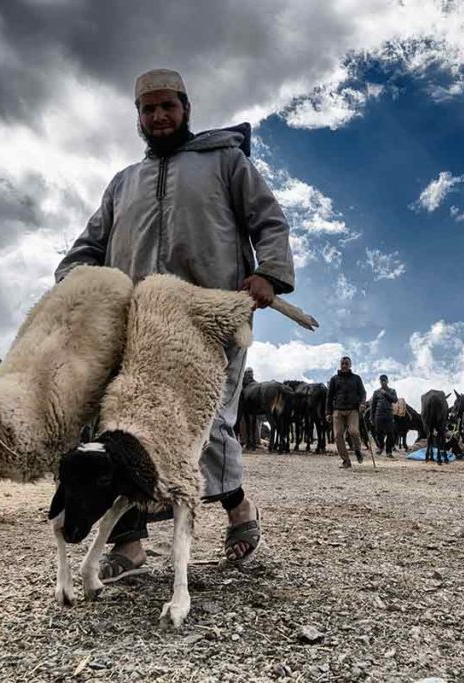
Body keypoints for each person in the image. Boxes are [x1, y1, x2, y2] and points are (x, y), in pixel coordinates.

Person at [54, 68, 294, 578]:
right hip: (136, 324)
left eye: (169, 106)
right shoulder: (123, 183)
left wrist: (267, 272)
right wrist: (78, 285)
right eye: (149, 109)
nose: (159, 116)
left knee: (207, 422)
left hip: (208, 315)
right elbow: (85, 250)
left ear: (186, 109)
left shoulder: (226, 162)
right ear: (138, 118)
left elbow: (268, 220)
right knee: (117, 427)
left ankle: (239, 511)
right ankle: (132, 545)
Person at [327, 356, 366, 468]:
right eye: (342, 363)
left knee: (353, 431)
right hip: (337, 410)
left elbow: (362, 392)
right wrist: (328, 413)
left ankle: (357, 450)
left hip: (352, 410)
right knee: (338, 435)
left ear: (350, 365)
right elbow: (329, 397)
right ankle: (346, 460)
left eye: (346, 363)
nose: (344, 365)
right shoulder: (334, 379)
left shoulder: (356, 378)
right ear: (340, 365)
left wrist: (362, 403)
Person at [369, 375, 398, 458]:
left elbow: (395, 400)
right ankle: (380, 447)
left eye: (384, 380)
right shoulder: (376, 392)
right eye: (381, 381)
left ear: (387, 381)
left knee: (390, 434)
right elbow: (373, 406)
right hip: (378, 415)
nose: (383, 382)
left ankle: (388, 452)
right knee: (378, 433)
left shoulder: (392, 391)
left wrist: (385, 394)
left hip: (389, 415)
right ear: (380, 382)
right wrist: (371, 418)